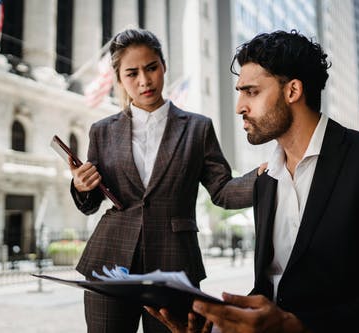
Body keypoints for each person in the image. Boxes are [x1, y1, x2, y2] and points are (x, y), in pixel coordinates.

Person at [147, 29, 359, 333]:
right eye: (240, 93)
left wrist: (297, 326)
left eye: (251, 92)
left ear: (292, 91)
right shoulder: (266, 181)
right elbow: (271, 291)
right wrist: (217, 323)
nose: (239, 106)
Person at [68, 28, 265, 333]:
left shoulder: (198, 128)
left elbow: (223, 191)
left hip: (173, 261)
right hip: (110, 261)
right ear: (119, 79)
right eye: (132, 73)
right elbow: (91, 203)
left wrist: (267, 176)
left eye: (151, 68)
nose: (144, 81)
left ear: (163, 66)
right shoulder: (102, 131)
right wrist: (81, 186)